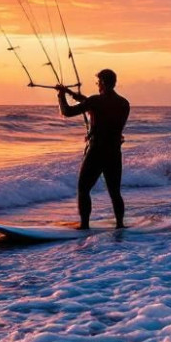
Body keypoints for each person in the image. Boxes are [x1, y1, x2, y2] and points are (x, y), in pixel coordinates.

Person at [57, 69, 130, 229]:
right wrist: (71, 93)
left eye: (98, 82)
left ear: (102, 82)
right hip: (114, 152)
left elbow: (67, 112)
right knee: (115, 192)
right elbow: (96, 106)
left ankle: (84, 225)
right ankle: (120, 225)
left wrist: (61, 96)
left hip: (97, 152)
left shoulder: (95, 101)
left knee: (83, 189)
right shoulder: (124, 103)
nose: (98, 85)